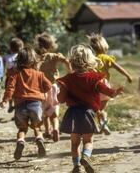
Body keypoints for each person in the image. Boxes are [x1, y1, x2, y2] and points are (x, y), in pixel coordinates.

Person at [57, 44, 123, 173]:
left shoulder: (68, 79)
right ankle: (86, 156)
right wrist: (116, 91)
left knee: (74, 143)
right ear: (90, 61)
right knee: (88, 141)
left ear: (72, 62)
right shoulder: (95, 78)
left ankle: (76, 166)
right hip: (88, 113)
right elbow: (109, 92)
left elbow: (61, 99)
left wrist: (60, 93)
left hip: (73, 115)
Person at [1, 47, 51, 160]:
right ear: (33, 60)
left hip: (20, 106)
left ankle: (20, 141)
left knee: (22, 129)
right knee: (37, 127)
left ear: (19, 60)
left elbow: (10, 88)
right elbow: (48, 86)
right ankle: (39, 139)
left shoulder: (15, 74)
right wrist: (42, 92)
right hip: (36, 105)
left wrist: (5, 100)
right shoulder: (39, 74)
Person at [88, 33, 132, 135]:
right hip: (104, 86)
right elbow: (118, 68)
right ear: (104, 46)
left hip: (93, 86)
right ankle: (104, 124)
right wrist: (128, 75)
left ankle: (98, 126)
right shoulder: (106, 58)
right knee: (102, 108)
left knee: (96, 108)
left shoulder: (91, 59)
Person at [35, 33, 71, 142]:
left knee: (45, 113)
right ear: (51, 45)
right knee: (54, 113)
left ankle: (47, 131)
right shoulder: (55, 56)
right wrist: (69, 70)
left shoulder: (40, 58)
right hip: (55, 86)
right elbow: (66, 60)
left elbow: (36, 68)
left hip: (43, 88)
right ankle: (55, 128)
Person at [3, 38, 24, 113]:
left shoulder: (6, 57)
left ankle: (10, 105)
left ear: (10, 47)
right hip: (19, 78)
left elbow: (3, 66)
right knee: (17, 94)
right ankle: (16, 110)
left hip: (9, 77)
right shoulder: (21, 57)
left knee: (9, 91)